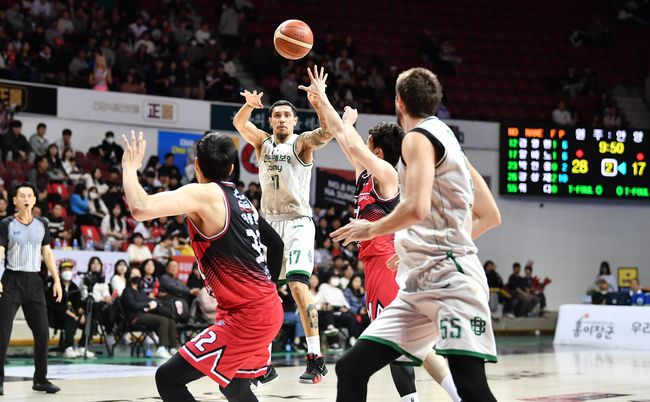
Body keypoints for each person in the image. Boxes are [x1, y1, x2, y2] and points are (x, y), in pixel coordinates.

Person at [330, 68, 501, 402]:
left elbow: (417, 207)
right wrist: (426, 246)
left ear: (399, 101)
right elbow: (490, 214)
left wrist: (372, 227)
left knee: (471, 386)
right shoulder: (449, 141)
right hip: (418, 283)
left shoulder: (417, 138)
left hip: (451, 284)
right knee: (351, 367)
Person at [303, 66, 461, 402]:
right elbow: (343, 138)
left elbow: (348, 140)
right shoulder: (366, 173)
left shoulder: (388, 174)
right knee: (399, 343)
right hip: (374, 264)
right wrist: (320, 102)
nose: (361, 146)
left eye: (368, 143)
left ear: (377, 151)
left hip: (388, 262)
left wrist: (342, 119)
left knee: (407, 342)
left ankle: (459, 395)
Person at [121, 131, 284, 402]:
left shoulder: (203, 194)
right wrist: (273, 289)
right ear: (232, 168)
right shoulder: (243, 201)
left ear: (197, 165)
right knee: (234, 387)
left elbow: (139, 208)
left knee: (168, 378)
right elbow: (276, 244)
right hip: (267, 307)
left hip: (247, 316)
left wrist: (129, 167)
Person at [233, 66, 335, 383]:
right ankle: (263, 364)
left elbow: (328, 132)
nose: (279, 120)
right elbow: (238, 123)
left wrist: (319, 102)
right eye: (275, 115)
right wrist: (250, 104)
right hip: (269, 224)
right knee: (260, 293)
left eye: (285, 116)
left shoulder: (301, 143)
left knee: (297, 286)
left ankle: (316, 358)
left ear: (293, 121)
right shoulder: (263, 143)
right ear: (271, 120)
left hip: (298, 223)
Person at [0, 183, 63, 395]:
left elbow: (47, 254)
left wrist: (56, 279)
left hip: (34, 282)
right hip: (11, 280)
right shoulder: (6, 224)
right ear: (14, 201)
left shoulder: (42, 224)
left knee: (43, 333)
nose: (26, 198)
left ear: (35, 200)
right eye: (22, 195)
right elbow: (0, 253)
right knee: (2, 332)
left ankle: (41, 379)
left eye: (30, 195)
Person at [121, 266, 177, 359]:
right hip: (134, 317)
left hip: (146, 315)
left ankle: (172, 347)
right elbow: (133, 305)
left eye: (138, 274)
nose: (137, 276)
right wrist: (147, 305)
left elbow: (150, 300)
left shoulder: (141, 292)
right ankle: (161, 348)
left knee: (170, 319)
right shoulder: (127, 291)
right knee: (163, 320)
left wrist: (155, 303)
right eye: (134, 274)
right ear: (128, 277)